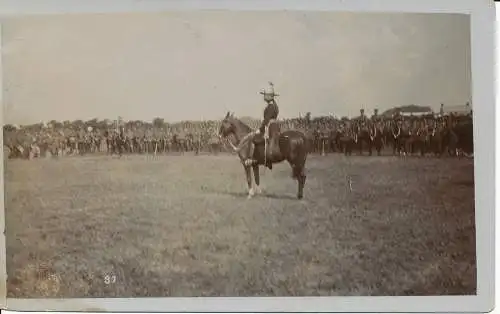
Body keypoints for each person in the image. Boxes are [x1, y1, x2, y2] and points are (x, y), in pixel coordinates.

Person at [234, 82, 279, 166]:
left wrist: (260, 129)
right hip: (274, 127)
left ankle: (253, 159)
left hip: (270, 127)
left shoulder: (270, 107)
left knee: (253, 138)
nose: (264, 96)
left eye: (265, 95)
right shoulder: (274, 106)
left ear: (269, 96)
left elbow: (266, 120)